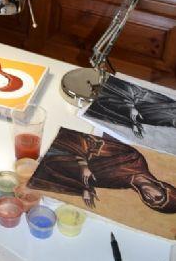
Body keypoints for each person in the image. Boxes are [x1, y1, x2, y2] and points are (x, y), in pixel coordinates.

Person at [28, 127, 176, 213]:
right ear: (163, 188)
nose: (150, 197)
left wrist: (85, 189)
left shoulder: (124, 184)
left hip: (54, 165)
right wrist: (84, 165)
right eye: (158, 197)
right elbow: (91, 142)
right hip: (60, 148)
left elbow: (89, 179)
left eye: (150, 203)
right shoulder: (133, 159)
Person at [86, 75, 176, 138]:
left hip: (111, 102)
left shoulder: (167, 118)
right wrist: (130, 110)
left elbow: (140, 116)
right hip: (111, 92)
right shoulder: (168, 110)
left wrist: (133, 123)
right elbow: (131, 90)